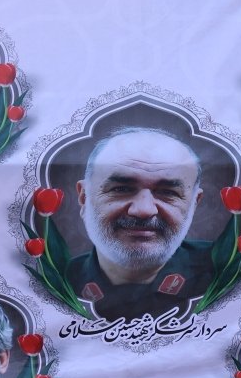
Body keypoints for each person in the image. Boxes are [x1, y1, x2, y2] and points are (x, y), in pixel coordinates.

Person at [63, 127, 215, 322]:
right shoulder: (50, 282)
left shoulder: (233, 270)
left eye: (168, 193)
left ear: (194, 203)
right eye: (121, 189)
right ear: (84, 197)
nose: (143, 210)